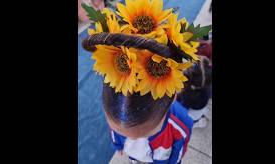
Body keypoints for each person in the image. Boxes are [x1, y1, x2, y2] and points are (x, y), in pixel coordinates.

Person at [82, 33, 194, 164]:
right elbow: (114, 132)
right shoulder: (116, 117)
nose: (133, 140)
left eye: (145, 134)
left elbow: (178, 151)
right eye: (122, 134)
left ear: (173, 96)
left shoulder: (181, 125)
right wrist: (118, 145)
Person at [177, 39, 212, 128]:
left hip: (193, 111)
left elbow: (181, 105)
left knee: (192, 119)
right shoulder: (207, 85)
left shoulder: (186, 95)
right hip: (201, 105)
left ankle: (197, 123)